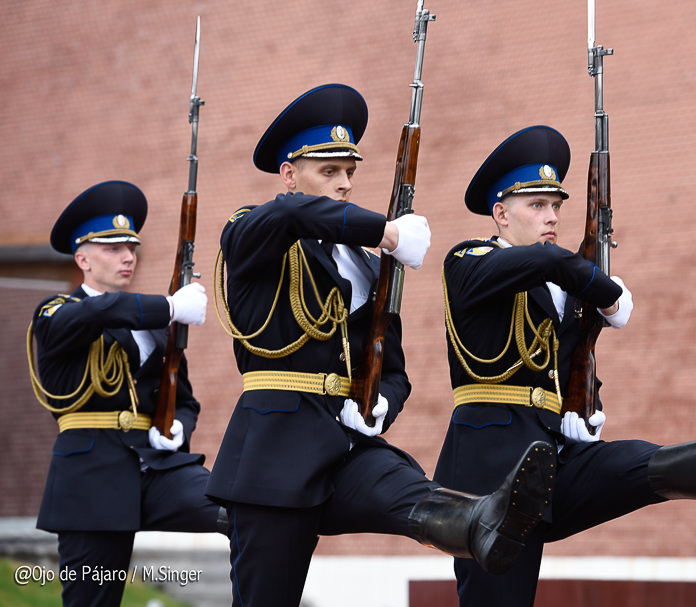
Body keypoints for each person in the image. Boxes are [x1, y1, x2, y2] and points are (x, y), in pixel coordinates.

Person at [205, 84, 557, 607]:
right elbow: (289, 216)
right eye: (329, 171)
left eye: (350, 171)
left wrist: (380, 406)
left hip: (344, 443)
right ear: (288, 175)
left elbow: (394, 370)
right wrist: (385, 232)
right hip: (274, 453)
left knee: (406, 486)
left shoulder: (367, 265)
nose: (345, 183)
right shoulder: (252, 229)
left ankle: (480, 521)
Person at [434, 125, 696, 606]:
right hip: (489, 476)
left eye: (555, 206)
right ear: (500, 213)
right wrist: (603, 291)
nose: (552, 217)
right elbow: (547, 264)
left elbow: (569, 358)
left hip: (552, 457)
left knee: (635, 464)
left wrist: (583, 404)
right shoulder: (468, 261)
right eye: (537, 205)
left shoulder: (558, 286)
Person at [28, 180, 225, 607]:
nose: (128, 256)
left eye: (132, 247)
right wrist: (169, 306)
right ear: (82, 259)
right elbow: (100, 311)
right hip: (92, 479)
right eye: (113, 248)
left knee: (245, 510)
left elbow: (184, 399)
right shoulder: (55, 313)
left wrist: (176, 426)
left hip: (156, 469)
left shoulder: (152, 324)